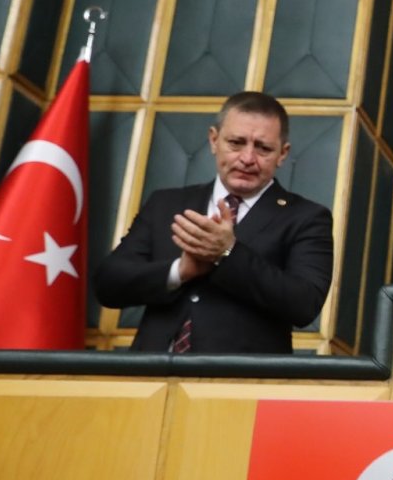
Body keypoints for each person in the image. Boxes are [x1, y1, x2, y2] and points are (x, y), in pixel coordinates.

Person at [94, 91, 333, 353]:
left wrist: (227, 253)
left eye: (263, 148)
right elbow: (109, 284)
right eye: (236, 143)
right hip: (151, 375)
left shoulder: (306, 217)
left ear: (282, 154)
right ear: (214, 140)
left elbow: (304, 304)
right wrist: (179, 271)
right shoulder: (167, 204)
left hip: (239, 384)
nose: (248, 158)